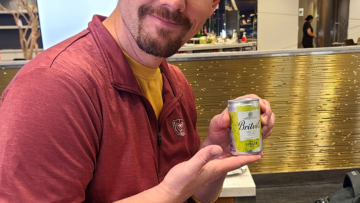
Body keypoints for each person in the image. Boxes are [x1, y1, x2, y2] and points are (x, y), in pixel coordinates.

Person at [0, 0, 275, 202]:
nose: (175, 3)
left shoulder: (176, 83)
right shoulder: (53, 87)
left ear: (213, 6)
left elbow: (198, 195)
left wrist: (217, 150)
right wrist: (166, 194)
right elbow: (172, 192)